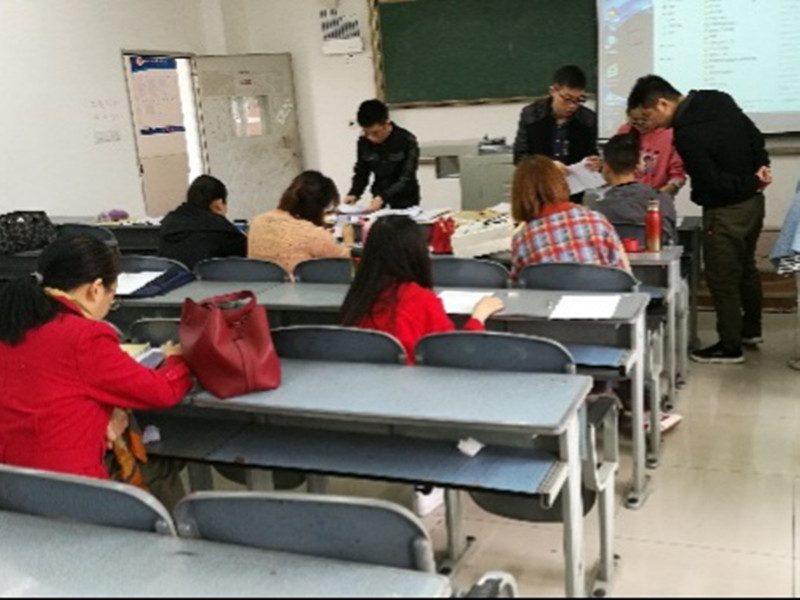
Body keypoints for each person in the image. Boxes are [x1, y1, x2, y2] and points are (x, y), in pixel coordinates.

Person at [0, 236, 193, 499]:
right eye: (112, 297)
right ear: (96, 289)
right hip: (68, 493)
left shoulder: (13, 320)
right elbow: (162, 391)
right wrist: (176, 359)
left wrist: (103, 415)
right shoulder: (84, 337)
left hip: (10, 486)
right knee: (159, 466)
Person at [627, 75, 772, 364]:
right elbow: (755, 136)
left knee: (721, 277)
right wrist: (761, 169)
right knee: (746, 268)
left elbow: (711, 180)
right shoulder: (717, 98)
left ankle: (729, 346)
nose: (652, 124)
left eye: (649, 116)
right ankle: (751, 330)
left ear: (662, 103)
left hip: (725, 209)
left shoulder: (686, 132)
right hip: (754, 204)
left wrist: (749, 183)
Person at [339, 215, 504, 364]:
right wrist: (478, 318)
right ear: (417, 251)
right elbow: (455, 354)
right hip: (412, 384)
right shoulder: (420, 299)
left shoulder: (357, 297)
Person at [510, 155, 630, 279]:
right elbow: (624, 274)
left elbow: (518, 283)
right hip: (601, 289)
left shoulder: (522, 239)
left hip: (550, 291)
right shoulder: (597, 221)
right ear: (562, 183)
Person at [512, 65, 601, 202]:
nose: (572, 106)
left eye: (579, 100)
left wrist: (595, 162)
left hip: (571, 192)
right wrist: (548, 167)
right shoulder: (531, 115)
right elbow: (520, 157)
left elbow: (590, 152)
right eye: (567, 99)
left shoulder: (588, 119)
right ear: (553, 91)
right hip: (537, 191)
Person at [248, 170, 351, 276]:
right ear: (320, 207)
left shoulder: (258, 221)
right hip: (300, 286)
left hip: (261, 285)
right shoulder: (315, 235)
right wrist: (349, 240)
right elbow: (348, 263)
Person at [594, 131, 677, 242]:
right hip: (656, 252)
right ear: (638, 167)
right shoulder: (662, 201)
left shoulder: (598, 207)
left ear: (606, 167)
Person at [343, 99, 421, 212]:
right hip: (378, 198)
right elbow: (362, 171)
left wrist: (383, 197)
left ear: (386, 124)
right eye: (366, 132)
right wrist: (354, 193)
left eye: (375, 133)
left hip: (405, 200)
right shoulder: (363, 142)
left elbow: (407, 177)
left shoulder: (406, 140)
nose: (370, 137)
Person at [158, 174, 247, 270]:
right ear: (219, 204)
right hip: (207, 279)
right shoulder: (225, 233)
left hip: (170, 279)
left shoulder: (167, 227)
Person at [616, 108, 686, 196]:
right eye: (635, 120)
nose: (640, 124)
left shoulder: (669, 136)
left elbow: (677, 177)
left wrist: (659, 196)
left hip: (656, 197)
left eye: (645, 120)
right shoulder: (624, 131)